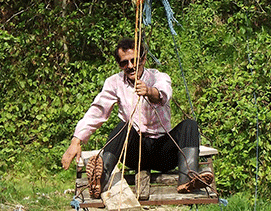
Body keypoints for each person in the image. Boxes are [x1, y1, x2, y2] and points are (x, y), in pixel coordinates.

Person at [61, 38, 213, 198]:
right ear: (119, 65)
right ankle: (100, 179)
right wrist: (75, 141)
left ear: (143, 59)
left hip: (163, 152)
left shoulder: (158, 77)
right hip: (134, 152)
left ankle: (188, 179)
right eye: (124, 63)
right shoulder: (114, 82)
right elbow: (98, 110)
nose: (131, 66)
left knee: (189, 125)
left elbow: (163, 93)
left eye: (134, 61)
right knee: (123, 126)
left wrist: (149, 91)